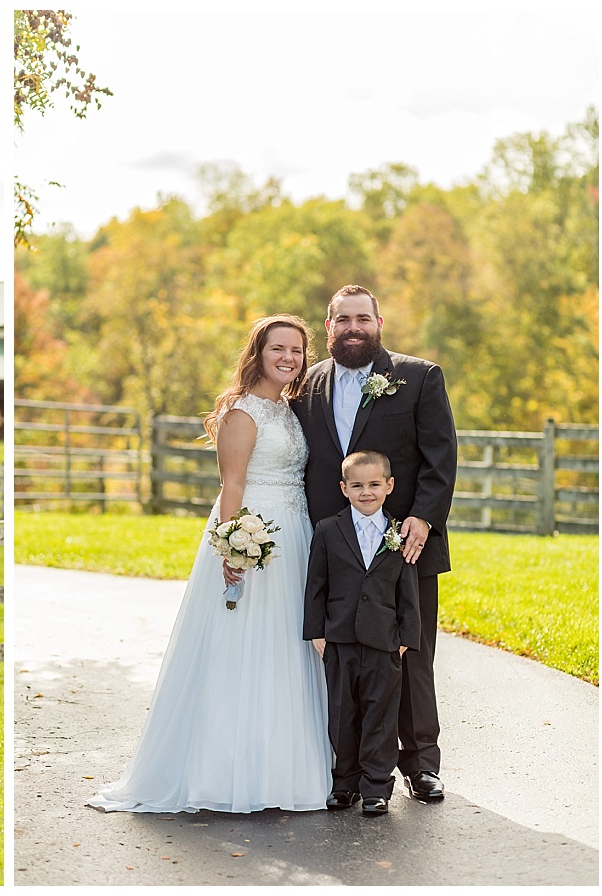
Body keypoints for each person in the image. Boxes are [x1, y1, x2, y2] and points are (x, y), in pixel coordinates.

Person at [89, 315, 332, 814]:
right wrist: (233, 546)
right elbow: (233, 484)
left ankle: (282, 767)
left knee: (289, 644)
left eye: (296, 350)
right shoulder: (242, 412)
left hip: (296, 534)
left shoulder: (287, 409)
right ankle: (227, 770)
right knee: (245, 645)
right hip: (256, 533)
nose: (288, 358)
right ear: (257, 353)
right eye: (278, 348)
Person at [291, 284, 456, 802]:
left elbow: (440, 457)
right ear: (329, 327)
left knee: (410, 654)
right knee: (344, 662)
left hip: (404, 545)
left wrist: (423, 518)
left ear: (379, 323)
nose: (354, 328)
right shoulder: (306, 385)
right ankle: (351, 770)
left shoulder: (418, 377)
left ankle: (421, 763)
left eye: (363, 319)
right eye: (343, 320)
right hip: (335, 549)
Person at [304, 450, 420, 816]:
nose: (366, 492)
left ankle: (376, 787)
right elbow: (316, 585)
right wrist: (316, 631)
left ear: (389, 485)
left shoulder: (399, 533)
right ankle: (345, 783)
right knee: (342, 713)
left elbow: (408, 591)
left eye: (373, 484)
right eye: (357, 486)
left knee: (380, 716)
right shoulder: (328, 529)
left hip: (385, 641)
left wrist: (406, 637)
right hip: (339, 639)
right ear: (344, 488)